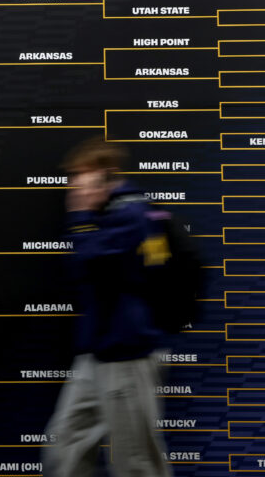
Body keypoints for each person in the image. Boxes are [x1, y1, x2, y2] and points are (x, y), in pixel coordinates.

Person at [42, 137, 172, 477]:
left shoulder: (131, 214)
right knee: (66, 444)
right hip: (98, 352)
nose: (72, 185)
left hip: (125, 354)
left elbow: (87, 262)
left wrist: (81, 214)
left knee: (136, 464)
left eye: (78, 176)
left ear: (102, 175)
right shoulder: (113, 214)